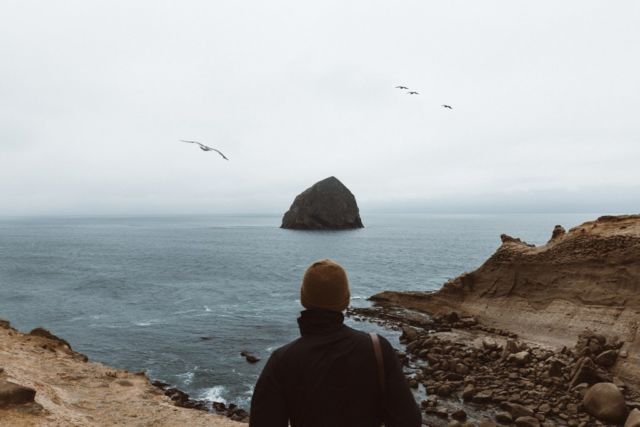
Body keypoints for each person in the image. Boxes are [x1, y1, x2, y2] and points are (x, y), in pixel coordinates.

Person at [249, 259, 422, 427]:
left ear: (303, 298)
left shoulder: (282, 360)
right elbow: (408, 420)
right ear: (346, 300)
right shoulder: (378, 348)